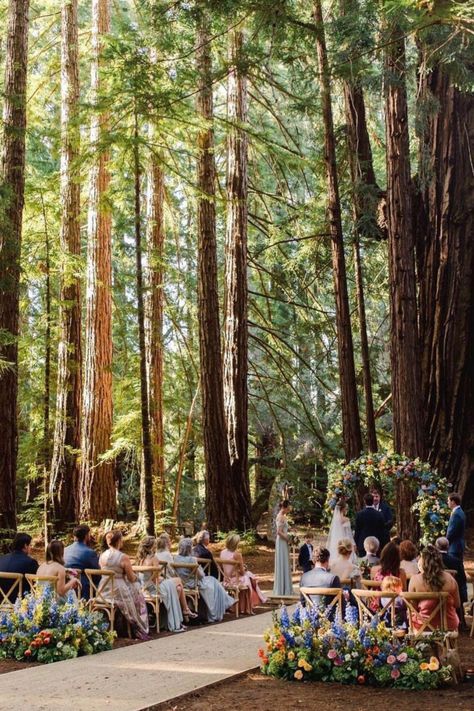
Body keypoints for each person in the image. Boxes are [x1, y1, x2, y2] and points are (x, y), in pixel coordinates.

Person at [136, 536, 196, 632]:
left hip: (143, 588)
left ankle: (176, 616)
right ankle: (185, 610)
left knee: (178, 589)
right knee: (178, 581)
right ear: (153, 547)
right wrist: (164, 579)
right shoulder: (153, 558)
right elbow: (156, 579)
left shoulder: (140, 558)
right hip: (153, 588)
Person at [99, 530, 149, 639]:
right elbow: (131, 578)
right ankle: (136, 625)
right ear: (119, 541)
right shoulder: (123, 557)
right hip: (118, 591)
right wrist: (137, 577)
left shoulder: (102, 555)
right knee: (137, 593)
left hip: (103, 590)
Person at [173, 537, 236, 622]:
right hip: (193, 583)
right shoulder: (192, 559)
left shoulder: (175, 558)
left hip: (182, 582)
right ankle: (224, 604)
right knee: (213, 581)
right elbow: (201, 575)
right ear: (189, 548)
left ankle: (227, 601)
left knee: (212, 581)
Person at [408, 544, 460, 631]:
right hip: (448, 625)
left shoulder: (415, 580)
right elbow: (457, 604)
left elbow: (412, 607)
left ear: (423, 561)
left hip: (423, 626)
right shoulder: (450, 579)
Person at [220, 533, 267, 613]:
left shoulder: (222, 552)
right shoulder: (237, 554)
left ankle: (259, 598)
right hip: (235, 580)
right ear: (236, 544)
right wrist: (244, 569)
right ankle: (255, 602)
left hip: (226, 579)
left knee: (249, 575)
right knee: (249, 577)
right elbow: (242, 572)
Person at [435, 536, 468, 628]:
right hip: (452, 592)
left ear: (436, 547)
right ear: (448, 547)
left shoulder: (432, 562)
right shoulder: (456, 561)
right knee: (459, 587)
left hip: (435, 591)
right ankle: (461, 622)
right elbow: (462, 578)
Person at [64, 524, 99, 599]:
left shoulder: (64, 550)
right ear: (87, 536)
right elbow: (97, 575)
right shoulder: (90, 552)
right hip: (83, 590)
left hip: (64, 587)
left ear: (74, 536)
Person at [0, 533, 38, 599]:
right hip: (21, 604)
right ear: (25, 545)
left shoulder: (1, 559)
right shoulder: (30, 562)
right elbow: (37, 584)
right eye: (30, 545)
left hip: (1, 602)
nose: (31, 548)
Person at [273, 500, 294, 596]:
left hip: (283, 541)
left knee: (285, 561)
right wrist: (288, 538)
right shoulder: (280, 517)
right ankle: (282, 589)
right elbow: (279, 532)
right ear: (285, 507)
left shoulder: (283, 516)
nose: (290, 508)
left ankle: (285, 587)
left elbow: (284, 529)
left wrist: (290, 531)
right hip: (281, 541)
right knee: (282, 561)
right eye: (289, 506)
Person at [447, 493, 466, 560]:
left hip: (454, 546)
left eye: (448, 501)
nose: (447, 502)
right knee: (459, 567)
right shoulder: (460, 511)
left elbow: (452, 531)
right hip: (457, 545)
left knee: (455, 566)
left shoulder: (456, 514)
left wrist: (445, 541)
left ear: (453, 502)